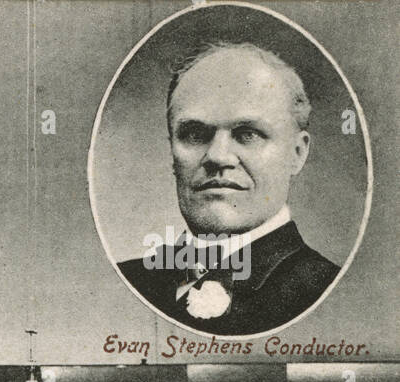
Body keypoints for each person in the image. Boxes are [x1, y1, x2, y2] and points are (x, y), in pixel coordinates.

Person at [116, 42, 339, 335]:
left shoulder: (326, 290)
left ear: (297, 153)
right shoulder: (124, 283)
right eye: (195, 134)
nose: (218, 156)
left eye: (247, 134)